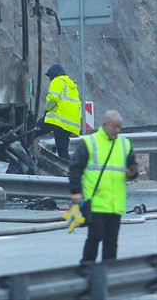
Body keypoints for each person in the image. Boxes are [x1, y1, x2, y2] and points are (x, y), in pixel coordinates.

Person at [69, 110, 139, 263]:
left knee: (111, 241)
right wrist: (76, 191)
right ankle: (87, 268)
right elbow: (75, 168)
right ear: (104, 125)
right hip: (95, 201)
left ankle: (108, 274)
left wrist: (132, 173)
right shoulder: (90, 143)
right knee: (95, 236)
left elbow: (133, 167)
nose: (117, 131)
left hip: (115, 203)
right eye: (114, 127)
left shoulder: (124, 144)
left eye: (119, 127)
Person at [42, 64, 81, 159]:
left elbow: (53, 99)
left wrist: (47, 109)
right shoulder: (71, 86)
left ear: (53, 75)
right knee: (63, 152)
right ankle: (70, 171)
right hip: (69, 124)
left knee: (33, 131)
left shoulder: (57, 81)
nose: (50, 80)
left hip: (57, 120)